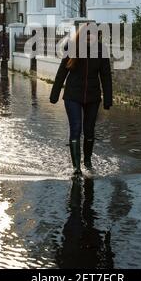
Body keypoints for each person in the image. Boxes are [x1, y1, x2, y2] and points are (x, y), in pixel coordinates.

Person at [50, 24, 113, 176]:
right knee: (76, 128)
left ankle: (88, 161)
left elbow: (105, 76)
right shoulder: (71, 47)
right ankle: (76, 167)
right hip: (73, 95)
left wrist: (108, 99)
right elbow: (61, 72)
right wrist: (55, 94)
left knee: (89, 130)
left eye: (94, 35)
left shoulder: (101, 50)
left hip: (93, 96)